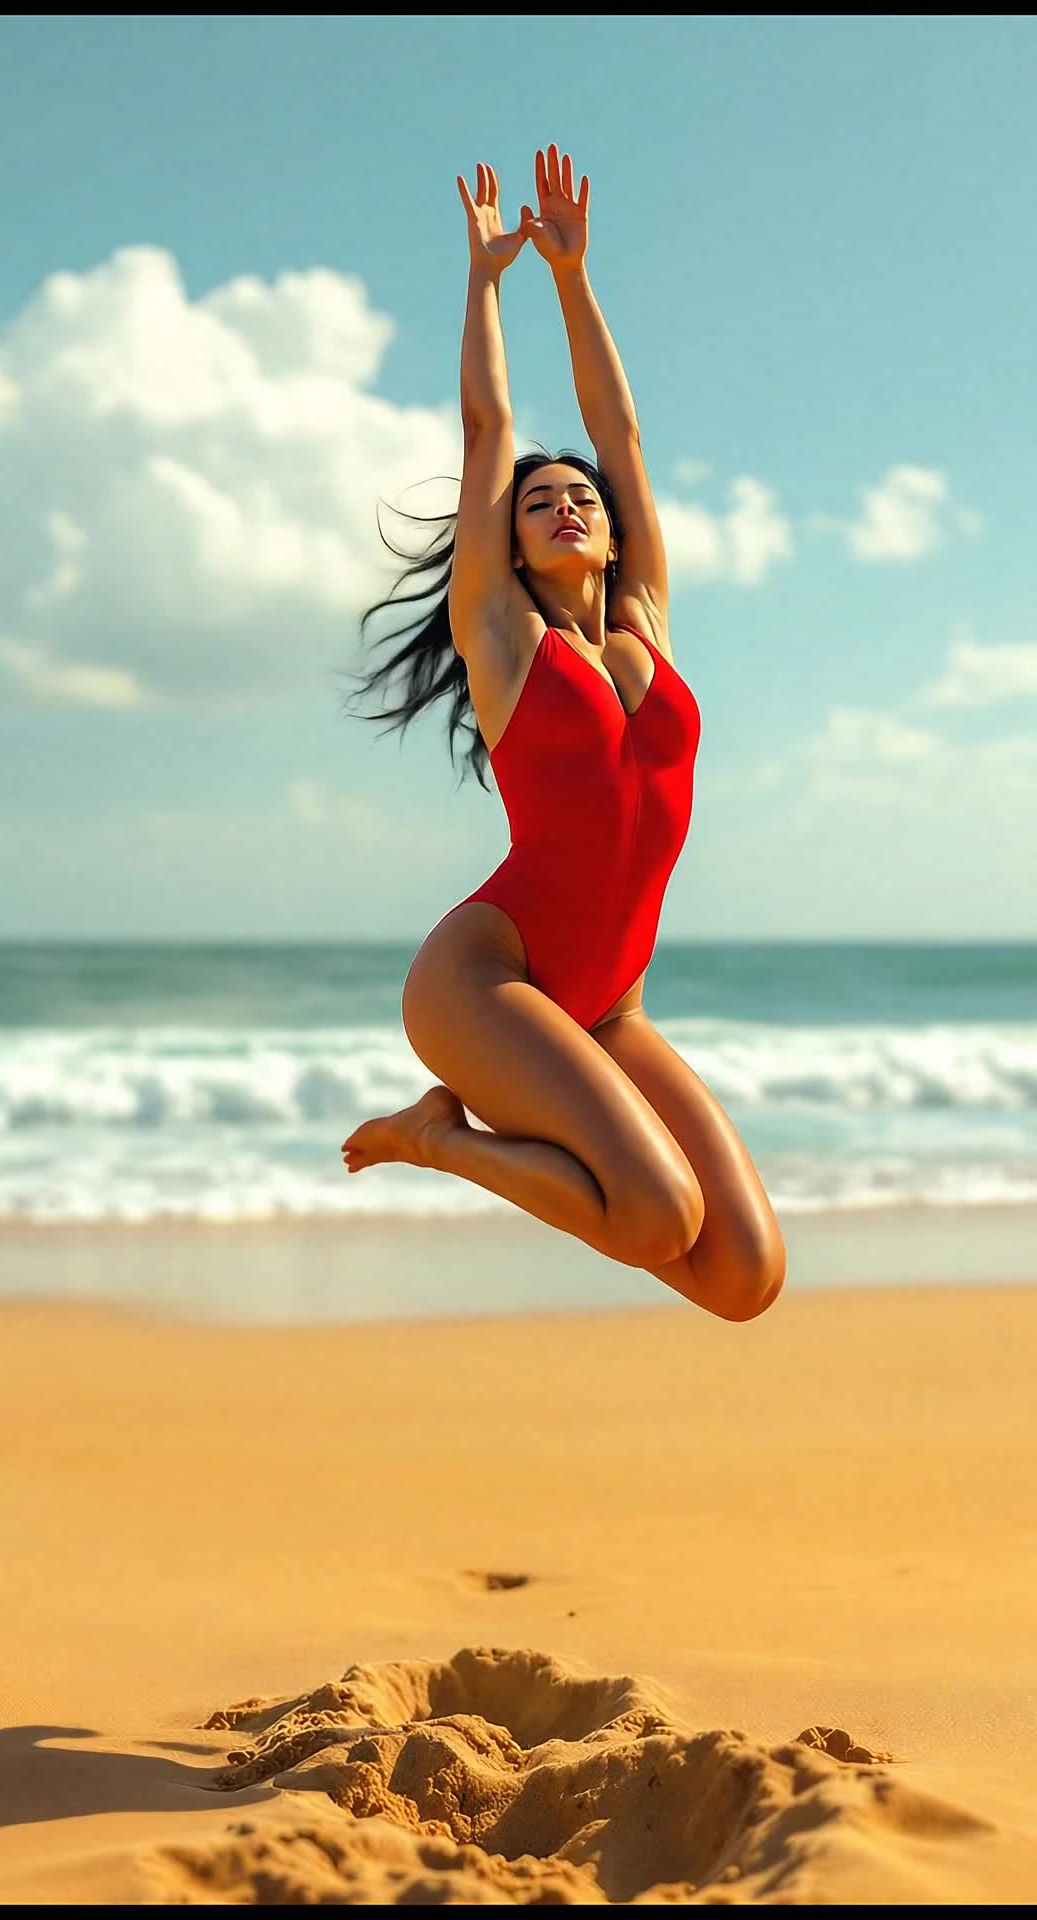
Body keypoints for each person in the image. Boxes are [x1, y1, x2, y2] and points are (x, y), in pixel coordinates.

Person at [340, 146, 785, 1322]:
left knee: (741, 1277)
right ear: (515, 550)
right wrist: (489, 280)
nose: (567, 501)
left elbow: (621, 435)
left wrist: (574, 280)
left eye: (577, 494)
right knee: (656, 1220)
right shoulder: (503, 638)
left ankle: (461, 1134)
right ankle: (440, 1139)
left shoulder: (647, 624)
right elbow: (491, 427)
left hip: (611, 1001)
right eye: (538, 504)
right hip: (487, 980)